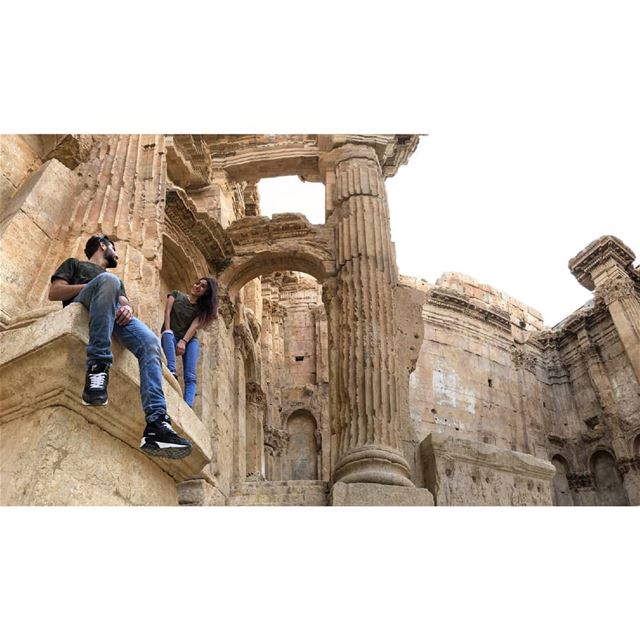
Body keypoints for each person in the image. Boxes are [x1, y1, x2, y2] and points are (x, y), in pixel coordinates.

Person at [48, 234, 193, 459]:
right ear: (103, 246)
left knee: (151, 343)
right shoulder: (75, 265)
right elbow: (54, 292)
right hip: (85, 301)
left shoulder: (116, 282)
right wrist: (95, 285)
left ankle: (157, 423)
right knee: (109, 281)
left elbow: (124, 303)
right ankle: (97, 368)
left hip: (114, 312)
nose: (117, 255)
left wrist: (127, 309)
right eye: (114, 249)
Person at [161, 277, 218, 407]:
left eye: (203, 287)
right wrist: (168, 330)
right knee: (167, 334)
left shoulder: (200, 309)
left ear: (206, 293)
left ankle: (187, 405)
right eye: (198, 283)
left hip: (189, 339)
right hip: (171, 334)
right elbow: (167, 312)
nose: (198, 286)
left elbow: (194, 326)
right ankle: (171, 373)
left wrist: (183, 341)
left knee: (191, 376)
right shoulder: (176, 294)